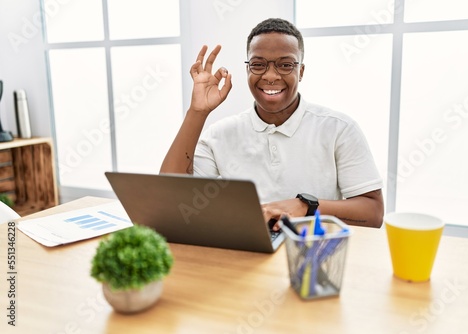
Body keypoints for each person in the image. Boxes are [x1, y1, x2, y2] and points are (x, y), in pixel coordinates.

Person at [160, 18, 384, 228]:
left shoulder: (338, 129)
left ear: (301, 71)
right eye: (258, 65)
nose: (270, 76)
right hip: (244, 256)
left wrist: (305, 206)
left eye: (285, 65)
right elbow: (170, 198)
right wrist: (197, 112)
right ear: (248, 69)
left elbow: (373, 212)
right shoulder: (220, 134)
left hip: (311, 255)